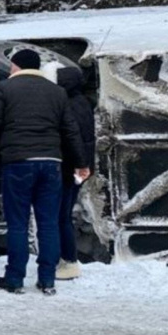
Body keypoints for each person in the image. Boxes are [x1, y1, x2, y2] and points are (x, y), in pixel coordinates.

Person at [0, 49, 90, 295]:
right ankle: (47, 279)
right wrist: (81, 163)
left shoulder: (4, 88)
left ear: (16, 65)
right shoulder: (57, 92)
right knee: (49, 223)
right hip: (51, 163)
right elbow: (70, 131)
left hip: (18, 162)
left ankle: (14, 278)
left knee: (18, 223)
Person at [56, 66, 96, 280]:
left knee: (60, 217)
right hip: (79, 167)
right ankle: (66, 258)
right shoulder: (83, 102)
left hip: (68, 167)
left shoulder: (68, 105)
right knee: (65, 215)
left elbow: (71, 139)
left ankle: (68, 260)